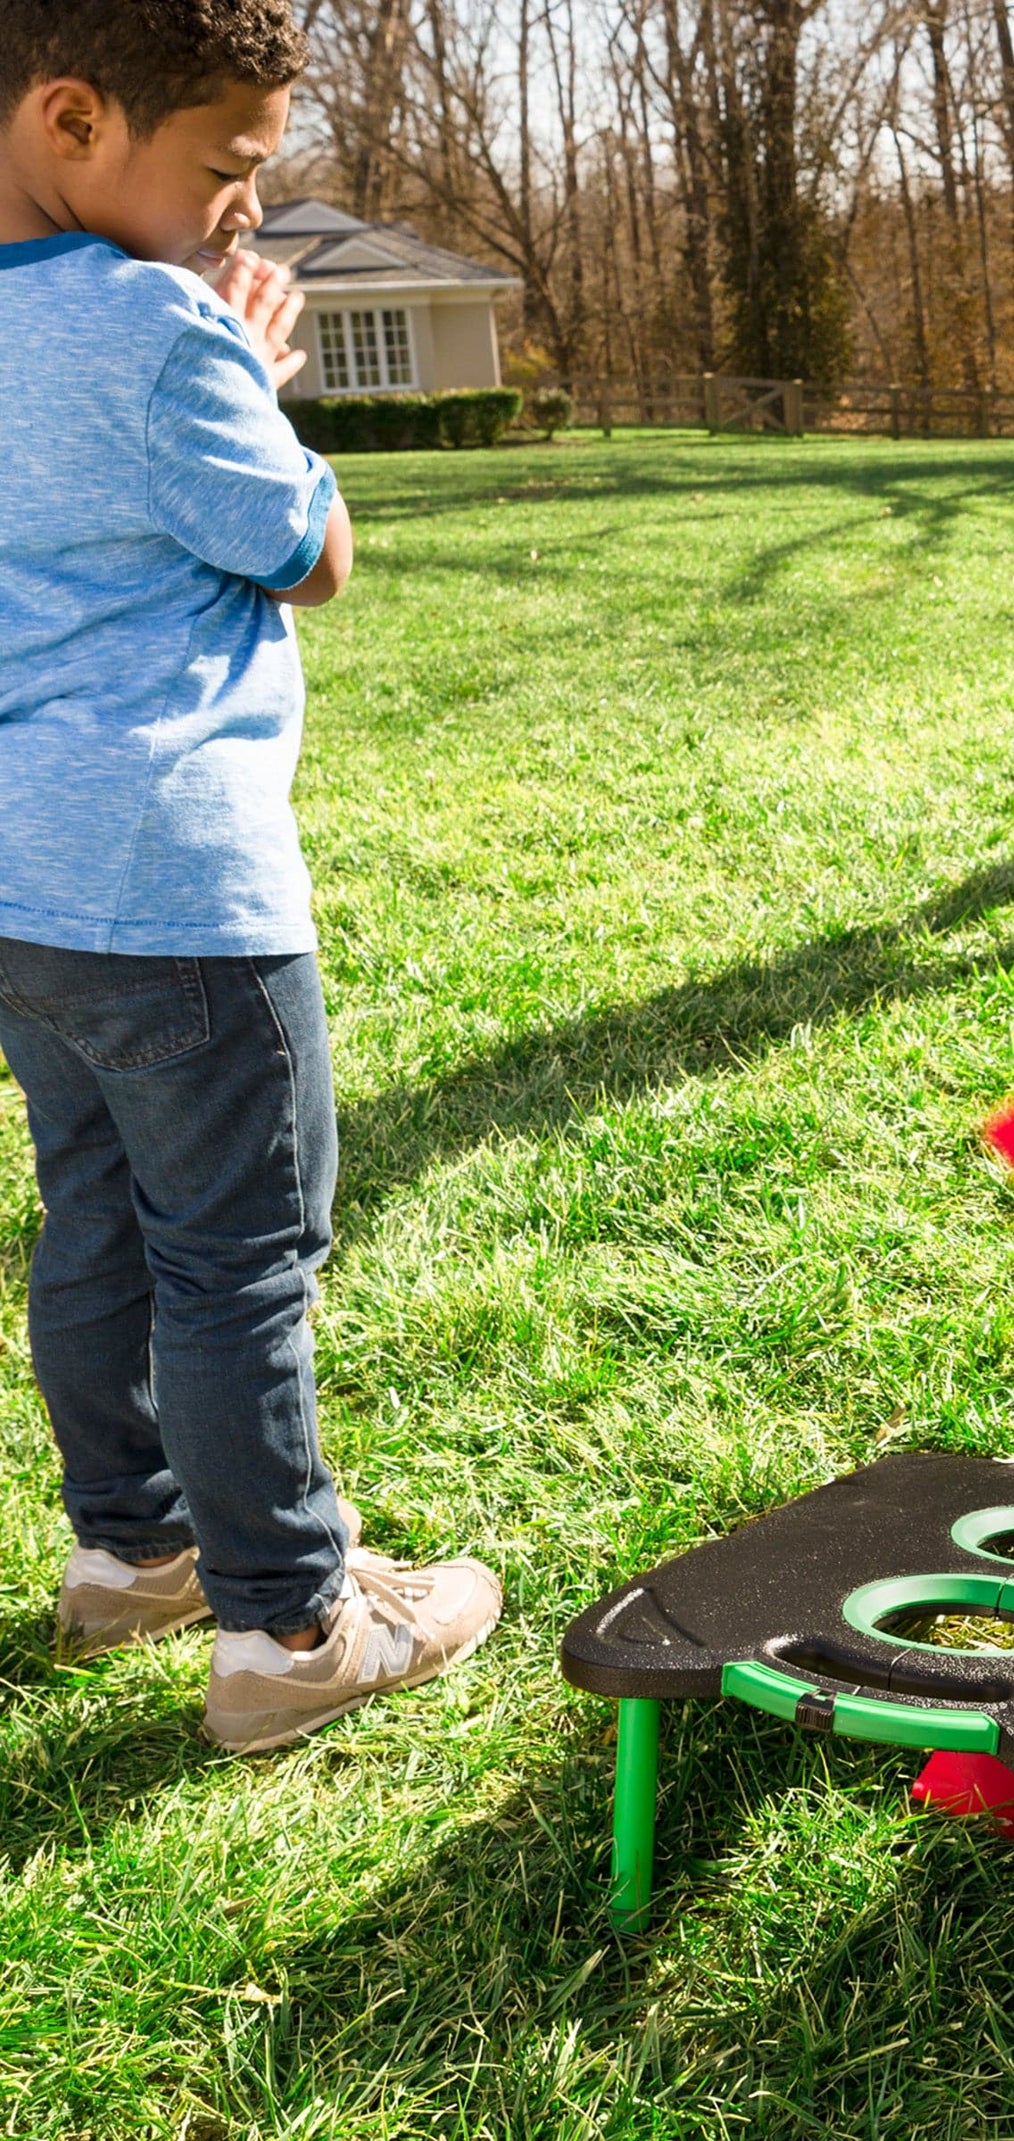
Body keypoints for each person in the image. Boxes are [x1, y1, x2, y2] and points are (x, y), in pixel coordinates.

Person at [0, 0, 500, 1753]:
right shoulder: (153, 326)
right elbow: (309, 551)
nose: (246, 209)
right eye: (224, 166)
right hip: (174, 884)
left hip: (25, 892)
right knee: (239, 1258)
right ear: (72, 121)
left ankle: (132, 1552)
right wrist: (254, 379)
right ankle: (293, 1623)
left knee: (100, 1219)